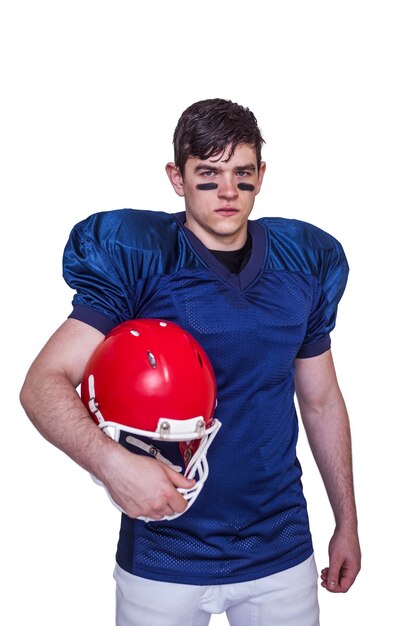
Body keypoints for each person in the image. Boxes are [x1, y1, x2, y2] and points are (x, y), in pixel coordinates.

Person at [20, 98, 361, 626]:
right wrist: (112, 465)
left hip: (281, 546)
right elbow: (42, 383)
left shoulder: (304, 263)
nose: (228, 191)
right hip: (164, 551)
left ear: (261, 176)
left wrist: (347, 521)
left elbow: (320, 402)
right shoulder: (144, 260)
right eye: (208, 174)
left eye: (241, 174)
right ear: (176, 178)